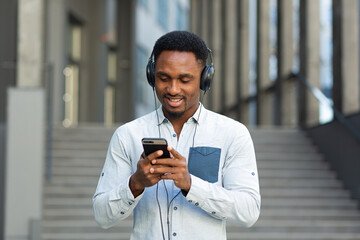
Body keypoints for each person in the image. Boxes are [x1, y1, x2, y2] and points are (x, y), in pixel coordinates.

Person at [93, 31, 260, 240]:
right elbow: (101, 216)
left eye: (184, 80)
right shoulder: (127, 135)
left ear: (204, 79)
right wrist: (135, 183)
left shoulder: (233, 134)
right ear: (151, 76)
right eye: (164, 78)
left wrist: (191, 185)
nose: (173, 89)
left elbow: (249, 212)